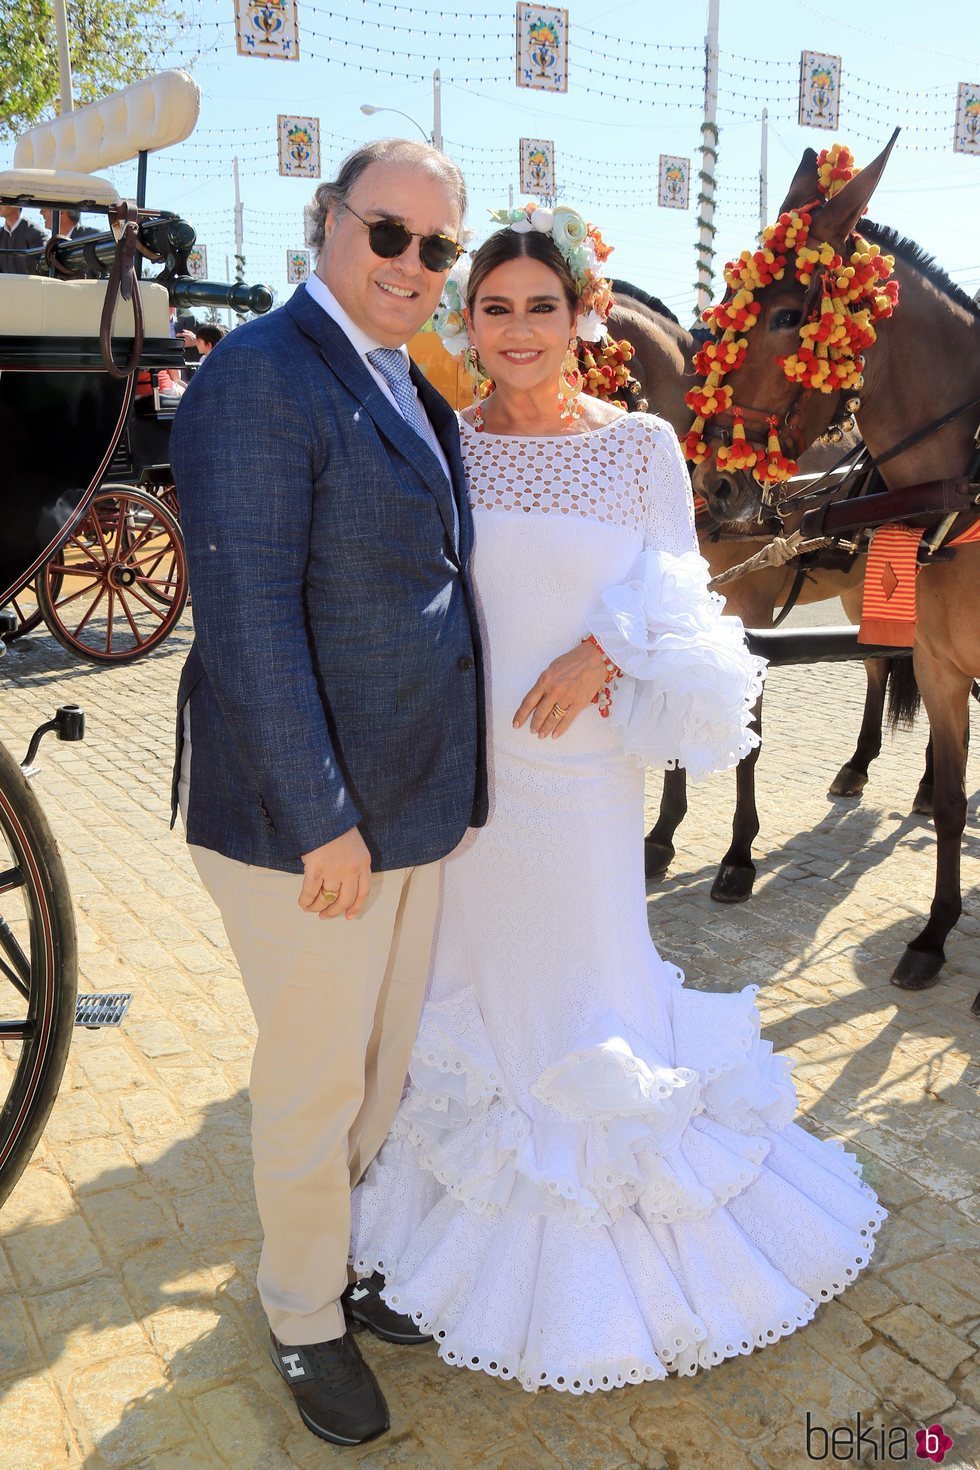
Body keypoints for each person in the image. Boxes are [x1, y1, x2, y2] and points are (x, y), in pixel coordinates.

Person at [351, 204, 886, 1395]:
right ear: (467, 321)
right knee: (471, 986)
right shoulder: (442, 441)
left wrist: (603, 646)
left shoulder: (639, 444)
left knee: (588, 982)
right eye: (495, 308)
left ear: (581, 314)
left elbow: (682, 599)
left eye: (542, 305)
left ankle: (619, 1233)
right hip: (468, 779)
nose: (519, 329)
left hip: (581, 775)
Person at [169, 139, 486, 1448]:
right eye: (389, 233)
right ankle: (302, 1312)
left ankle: (340, 1251)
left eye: (437, 249)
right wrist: (324, 819)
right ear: (329, 221)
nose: (412, 265)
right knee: (313, 1080)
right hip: (310, 823)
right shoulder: (259, 376)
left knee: (378, 1066)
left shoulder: (410, 380)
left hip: (408, 805)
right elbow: (245, 623)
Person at [0, 206, 45, 274]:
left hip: (27, 283)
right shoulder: (1, 234)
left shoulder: (35, 233)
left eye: (3, 200)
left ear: (16, 205)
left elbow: (42, 270)